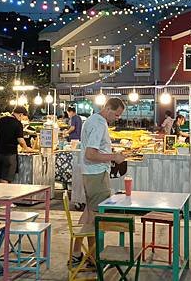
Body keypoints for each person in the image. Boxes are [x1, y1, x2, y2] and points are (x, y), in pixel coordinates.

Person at [71, 98, 126, 265]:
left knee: (89, 213)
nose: (117, 118)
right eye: (116, 114)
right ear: (108, 108)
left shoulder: (92, 120)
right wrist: (113, 157)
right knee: (97, 217)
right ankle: (94, 258)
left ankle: (77, 253)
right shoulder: (99, 124)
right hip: (96, 174)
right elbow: (90, 154)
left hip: (90, 173)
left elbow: (93, 151)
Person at [0, 106, 37, 183]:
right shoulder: (17, 123)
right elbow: (21, 140)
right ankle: (2, 194)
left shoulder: (1, 120)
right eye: (23, 117)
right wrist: (26, 148)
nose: (22, 119)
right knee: (5, 179)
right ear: (20, 114)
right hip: (9, 154)